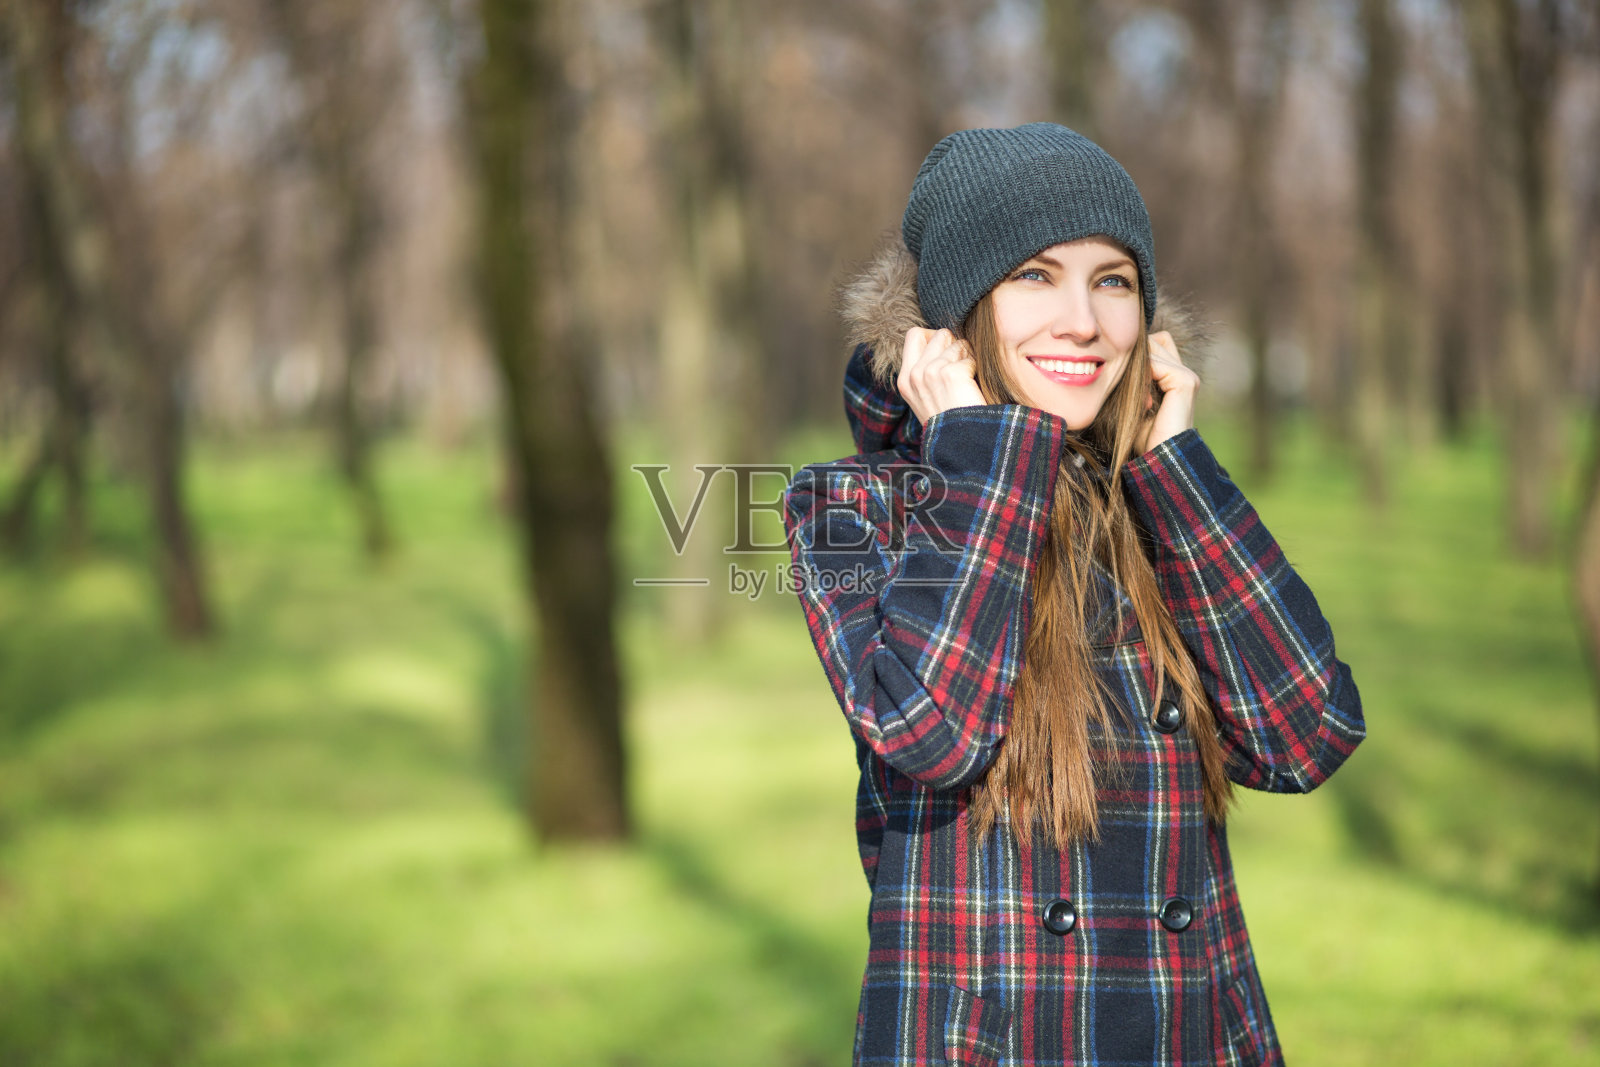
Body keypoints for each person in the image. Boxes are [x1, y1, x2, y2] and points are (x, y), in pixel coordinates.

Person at [781, 122, 1365, 1066]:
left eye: (1113, 281)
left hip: (1192, 1033)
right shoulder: (853, 507)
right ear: (954, 316)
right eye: (1034, 276)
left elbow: (1307, 738)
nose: (1084, 322)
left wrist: (1173, 466)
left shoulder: (1154, 499)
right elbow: (933, 729)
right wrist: (981, 456)